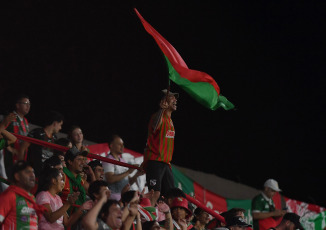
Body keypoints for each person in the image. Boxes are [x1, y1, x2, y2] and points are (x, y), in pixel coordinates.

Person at [142, 89, 178, 206]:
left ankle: (165, 221)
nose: (175, 100)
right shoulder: (158, 117)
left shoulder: (170, 120)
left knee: (172, 197)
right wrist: (161, 109)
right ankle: (148, 221)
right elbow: (154, 126)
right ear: (164, 101)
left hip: (166, 163)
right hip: (155, 161)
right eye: (172, 97)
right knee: (155, 193)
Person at [0, 161, 45, 229]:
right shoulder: (9, 196)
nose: (32, 175)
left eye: (33, 172)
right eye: (27, 172)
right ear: (17, 176)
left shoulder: (32, 198)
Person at [20, 110, 64, 177]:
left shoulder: (55, 138)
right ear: (55, 123)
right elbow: (22, 148)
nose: (60, 128)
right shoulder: (36, 132)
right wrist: (20, 167)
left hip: (47, 174)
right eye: (60, 125)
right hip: (33, 172)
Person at [103, 134, 143, 201]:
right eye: (119, 144)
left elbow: (128, 182)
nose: (122, 146)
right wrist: (128, 172)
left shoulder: (122, 160)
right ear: (111, 145)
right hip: (113, 199)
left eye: (123, 144)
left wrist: (137, 174)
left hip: (124, 198)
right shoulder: (108, 159)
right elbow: (110, 179)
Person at [1, 94, 31, 177]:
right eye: (25, 103)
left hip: (20, 155)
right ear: (17, 105)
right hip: (8, 156)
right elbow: (1, 132)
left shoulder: (25, 121)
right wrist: (10, 149)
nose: (28, 106)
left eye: (29, 104)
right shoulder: (10, 117)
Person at [61, 146, 89, 215]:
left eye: (83, 159)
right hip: (60, 219)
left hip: (73, 220)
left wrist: (92, 175)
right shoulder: (61, 176)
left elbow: (95, 192)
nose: (83, 163)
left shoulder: (80, 180)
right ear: (70, 162)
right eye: (79, 159)